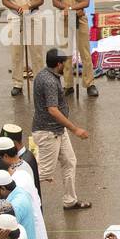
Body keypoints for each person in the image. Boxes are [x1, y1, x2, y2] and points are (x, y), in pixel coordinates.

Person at [30, 48, 90, 211]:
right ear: (58, 64)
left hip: (57, 130)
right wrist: (75, 129)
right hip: (49, 133)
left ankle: (70, 201)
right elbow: (53, 110)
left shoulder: (43, 74)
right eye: (64, 63)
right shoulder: (49, 82)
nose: (66, 66)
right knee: (44, 172)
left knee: (70, 162)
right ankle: (11, 186)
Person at [51, 0, 94, 96]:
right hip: (64, 19)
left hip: (80, 18)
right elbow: (55, 1)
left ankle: (89, 84)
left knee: (84, 52)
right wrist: (68, 10)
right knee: (66, 52)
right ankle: (68, 84)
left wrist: (71, 9)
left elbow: (86, 2)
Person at [1, 0, 44, 96]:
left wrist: (28, 6)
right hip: (15, 16)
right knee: (16, 52)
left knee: (36, 51)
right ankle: (17, 83)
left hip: (33, 15)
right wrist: (17, 7)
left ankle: (39, 83)